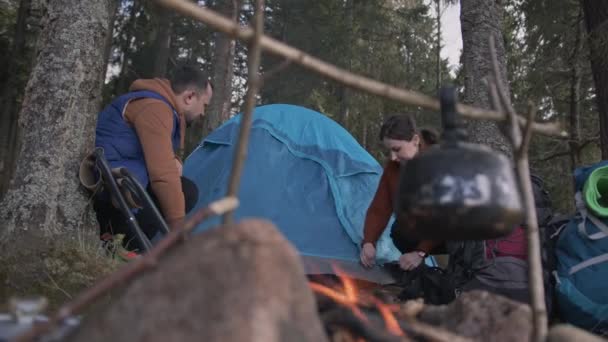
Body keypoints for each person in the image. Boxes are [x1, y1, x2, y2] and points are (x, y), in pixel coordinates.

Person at [93, 64, 213, 252]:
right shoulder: (155, 108)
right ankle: (119, 245)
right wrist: (178, 229)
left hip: (120, 184)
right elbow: (163, 175)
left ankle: (124, 245)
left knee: (185, 189)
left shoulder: (166, 108)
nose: (203, 112)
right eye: (204, 105)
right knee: (182, 190)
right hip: (108, 189)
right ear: (190, 97)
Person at [360, 114, 441, 271]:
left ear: (416, 141)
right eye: (389, 150)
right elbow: (379, 209)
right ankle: (418, 274)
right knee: (400, 231)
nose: (393, 157)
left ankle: (461, 278)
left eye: (397, 149)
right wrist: (369, 241)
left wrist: (420, 252)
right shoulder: (394, 168)